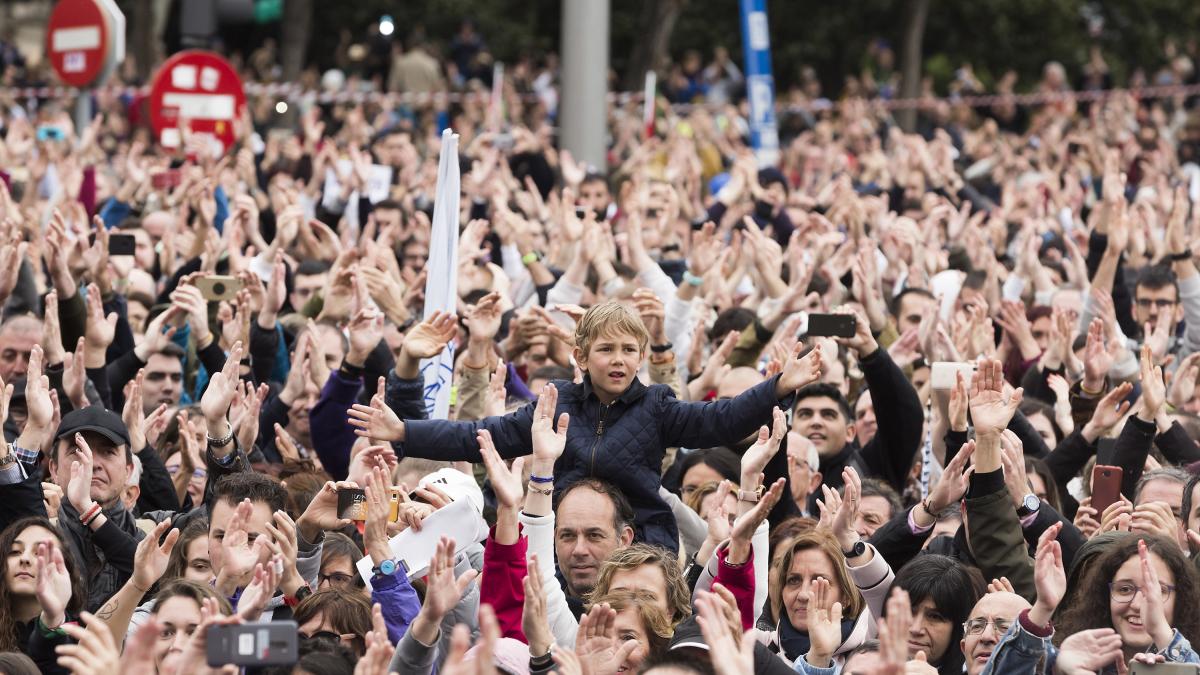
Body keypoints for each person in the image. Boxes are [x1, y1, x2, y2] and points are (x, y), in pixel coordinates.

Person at [351, 300, 823, 552]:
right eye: (606, 349)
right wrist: (404, 431)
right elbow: (482, 435)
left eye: (627, 351)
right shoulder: (555, 404)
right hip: (562, 539)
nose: (618, 360)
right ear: (581, 356)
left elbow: (723, 419)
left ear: (640, 357)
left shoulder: (658, 406)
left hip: (641, 541)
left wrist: (781, 385)